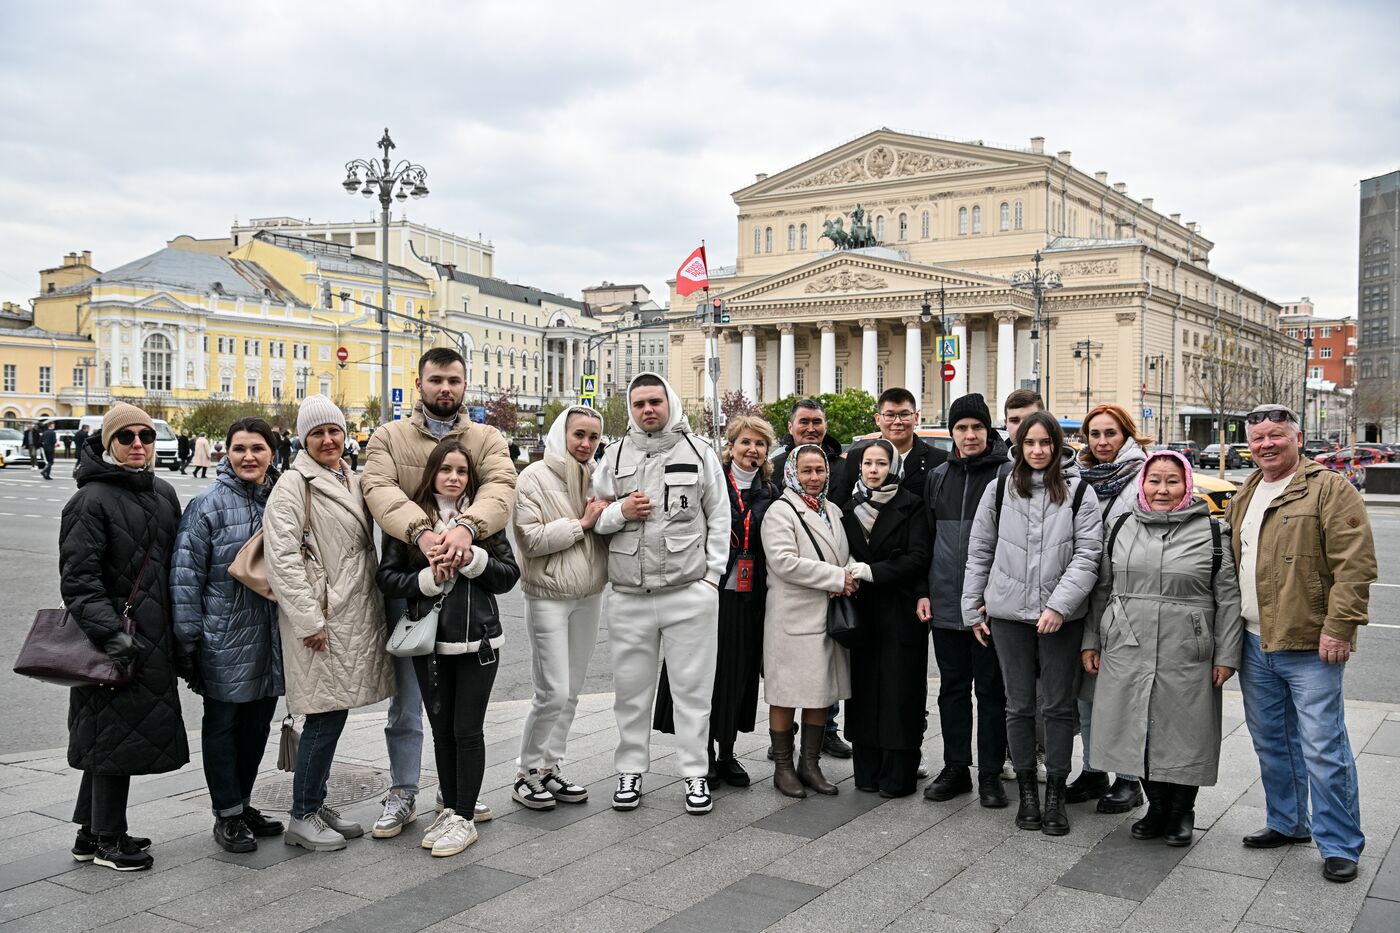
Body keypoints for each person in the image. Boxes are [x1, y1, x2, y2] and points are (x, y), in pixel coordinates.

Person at [362, 347, 518, 834]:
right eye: (436, 380)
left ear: (464, 384)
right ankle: (403, 790)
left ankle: (455, 794)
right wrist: (423, 534)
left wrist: (466, 529)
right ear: (420, 383)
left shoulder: (486, 438)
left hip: (468, 600)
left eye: (453, 380)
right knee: (409, 702)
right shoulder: (389, 436)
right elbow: (379, 490)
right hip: (414, 582)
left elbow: (501, 488)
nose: (445, 388)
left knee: (459, 718)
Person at [1227, 403, 1377, 884]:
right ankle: (1288, 822)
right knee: (1272, 742)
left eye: (1276, 435)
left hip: (1310, 643)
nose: (1266, 444)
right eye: (1257, 438)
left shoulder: (1330, 488)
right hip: (1255, 641)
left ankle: (1340, 844)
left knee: (1323, 747)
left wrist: (1340, 627)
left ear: (1297, 437)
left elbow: (1355, 565)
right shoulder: (1247, 490)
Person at [1083, 449, 1244, 847]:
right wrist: (1092, 640)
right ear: (1143, 484)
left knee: (1186, 731)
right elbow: (1102, 589)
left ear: (1187, 485)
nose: (1162, 489)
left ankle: (1181, 812)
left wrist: (1226, 655)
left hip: (1187, 648)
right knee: (1135, 727)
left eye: (1172, 481)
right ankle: (1156, 807)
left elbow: (1228, 599)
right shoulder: (1121, 526)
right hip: (1127, 644)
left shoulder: (1212, 532)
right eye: (1154, 480)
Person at [593, 373, 729, 814]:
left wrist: (712, 580)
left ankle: (695, 773)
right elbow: (595, 517)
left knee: (693, 692)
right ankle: (630, 770)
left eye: (655, 401)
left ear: (669, 402)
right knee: (630, 693)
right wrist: (620, 511)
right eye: (639, 404)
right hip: (629, 594)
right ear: (630, 409)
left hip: (688, 592)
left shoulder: (699, 451)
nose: (648, 410)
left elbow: (719, 517)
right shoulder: (613, 454)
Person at [60, 403, 187, 871]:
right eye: (126, 437)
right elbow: (79, 583)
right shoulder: (89, 501)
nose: (138, 444)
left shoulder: (163, 492)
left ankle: (90, 832)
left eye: (146, 436)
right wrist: (111, 636)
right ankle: (110, 842)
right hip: (114, 641)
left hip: (151, 638)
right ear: (107, 443)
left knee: (110, 736)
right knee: (111, 736)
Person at [962, 411, 1102, 836]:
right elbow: (980, 549)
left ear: (1058, 445)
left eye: (1045, 442)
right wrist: (972, 607)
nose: (1038, 450)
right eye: (1029, 443)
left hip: (1061, 618)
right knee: (1018, 705)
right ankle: (1027, 793)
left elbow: (1088, 554)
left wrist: (1059, 606)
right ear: (1018, 446)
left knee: (1057, 707)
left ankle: (1055, 793)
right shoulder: (999, 488)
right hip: (1008, 614)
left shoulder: (1080, 491)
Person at [265, 396, 395, 852]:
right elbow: (282, 560)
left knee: (332, 712)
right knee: (323, 716)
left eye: (334, 431)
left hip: (348, 613)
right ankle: (302, 816)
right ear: (303, 439)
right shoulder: (293, 484)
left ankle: (315, 804)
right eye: (317, 433)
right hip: (320, 618)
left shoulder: (350, 478)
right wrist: (308, 620)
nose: (327, 440)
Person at [377, 438, 519, 856]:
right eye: (445, 469)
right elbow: (387, 578)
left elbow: (508, 575)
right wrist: (428, 580)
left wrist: (472, 559)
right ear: (432, 473)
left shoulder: (482, 520)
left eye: (461, 471)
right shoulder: (411, 522)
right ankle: (452, 809)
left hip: (479, 642)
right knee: (442, 732)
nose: (454, 478)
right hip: (430, 644)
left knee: (467, 730)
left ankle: (465, 819)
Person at [170, 418, 285, 853]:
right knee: (223, 726)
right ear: (227, 453)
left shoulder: (282, 500)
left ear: (272, 453)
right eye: (239, 448)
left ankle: (243, 803)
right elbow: (185, 578)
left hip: (272, 637)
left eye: (257, 448)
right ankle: (227, 814)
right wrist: (189, 641)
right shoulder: (207, 506)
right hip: (223, 638)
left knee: (257, 725)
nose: (248, 457)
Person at [656, 414, 779, 787]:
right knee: (706, 673)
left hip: (748, 597)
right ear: (731, 446)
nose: (752, 450)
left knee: (739, 674)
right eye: (745, 442)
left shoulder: (770, 492)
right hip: (709, 590)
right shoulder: (712, 483)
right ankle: (704, 751)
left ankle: (727, 752)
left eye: (760, 444)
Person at [512, 406, 609, 809]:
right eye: (578, 435)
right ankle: (525, 772)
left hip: (589, 594)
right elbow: (529, 539)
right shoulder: (533, 477)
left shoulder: (599, 476)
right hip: (548, 594)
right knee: (552, 691)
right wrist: (582, 524)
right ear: (562, 434)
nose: (586, 444)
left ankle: (550, 767)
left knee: (572, 691)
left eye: (593, 437)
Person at [922, 393, 1011, 807]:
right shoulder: (938, 476)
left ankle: (990, 773)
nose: (970, 434)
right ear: (952, 432)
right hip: (945, 602)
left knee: (992, 692)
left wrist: (998, 597)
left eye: (977, 427)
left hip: (989, 608)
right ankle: (956, 767)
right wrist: (924, 592)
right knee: (952, 690)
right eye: (961, 427)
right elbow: (925, 540)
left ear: (988, 430)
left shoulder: (1007, 475)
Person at [1068, 403, 1151, 813]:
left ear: (1127, 435)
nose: (1102, 442)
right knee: (1086, 691)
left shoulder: (1142, 476)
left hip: (1125, 598)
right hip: (1084, 595)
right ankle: (1093, 769)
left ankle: (1129, 779)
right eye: (1094, 434)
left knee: (1122, 693)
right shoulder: (1079, 475)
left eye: (1110, 433)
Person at [840, 439, 931, 798]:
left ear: (893, 467)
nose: (873, 470)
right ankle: (867, 772)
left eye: (881, 463)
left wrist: (873, 571)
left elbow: (919, 556)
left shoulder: (912, 504)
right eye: (868, 463)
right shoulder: (849, 506)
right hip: (861, 611)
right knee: (864, 693)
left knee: (899, 693)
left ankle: (898, 776)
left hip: (900, 609)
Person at [762, 445, 855, 797]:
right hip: (792, 617)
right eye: (806, 471)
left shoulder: (832, 509)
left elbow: (845, 553)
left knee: (820, 693)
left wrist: (851, 573)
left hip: (825, 616)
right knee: (785, 694)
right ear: (792, 472)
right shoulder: (780, 511)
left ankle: (810, 765)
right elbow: (783, 562)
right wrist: (837, 578)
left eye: (820, 470)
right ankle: (783, 768)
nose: (814, 477)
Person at [831, 387, 948, 506]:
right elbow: (841, 506)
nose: (897, 421)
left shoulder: (939, 460)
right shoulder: (855, 458)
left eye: (904, 414)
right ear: (877, 419)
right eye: (890, 415)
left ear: (916, 417)